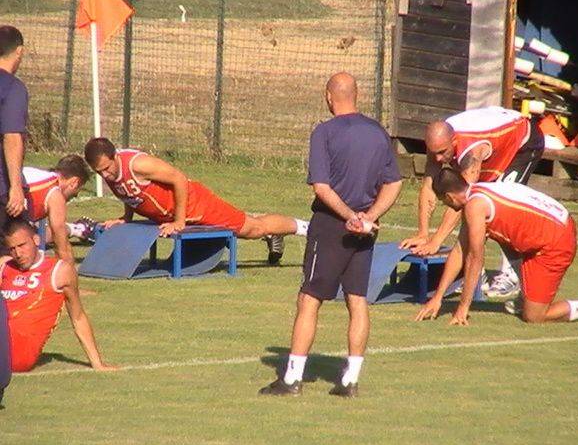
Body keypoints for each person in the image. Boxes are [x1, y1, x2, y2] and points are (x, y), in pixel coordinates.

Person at [259, 72, 402, 398]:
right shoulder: (378, 132)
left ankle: (292, 379)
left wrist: (350, 217)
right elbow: (394, 182)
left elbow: (322, 187)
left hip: (330, 226)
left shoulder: (324, 132)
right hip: (366, 231)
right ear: (358, 94)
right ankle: (350, 381)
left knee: (309, 298)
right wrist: (369, 217)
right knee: (357, 300)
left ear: (328, 96)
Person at [415, 168, 578, 325]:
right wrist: (438, 298)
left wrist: (463, 306)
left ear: (450, 196)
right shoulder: (477, 194)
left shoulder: (475, 205)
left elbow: (474, 258)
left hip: (556, 242)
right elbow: (460, 251)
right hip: (552, 228)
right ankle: (525, 296)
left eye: (445, 203)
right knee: (501, 236)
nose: (448, 208)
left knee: (535, 316)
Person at [83, 138, 308, 264]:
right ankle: (274, 233)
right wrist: (126, 218)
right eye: (98, 172)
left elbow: (179, 179)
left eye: (106, 168)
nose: (104, 175)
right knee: (249, 225)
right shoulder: (110, 171)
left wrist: (179, 221)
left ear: (115, 156)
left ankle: (308, 228)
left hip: (195, 205)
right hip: (170, 214)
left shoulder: (138, 164)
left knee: (252, 228)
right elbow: (128, 192)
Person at [400, 106, 544, 299]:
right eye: (434, 153)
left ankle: (511, 276)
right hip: (495, 149)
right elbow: (428, 187)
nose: (439, 159)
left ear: (454, 141)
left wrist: (437, 241)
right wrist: (423, 234)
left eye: (443, 152)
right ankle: (476, 273)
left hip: (523, 143)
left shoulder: (472, 150)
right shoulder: (437, 145)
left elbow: (463, 199)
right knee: (477, 210)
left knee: (495, 209)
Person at [0, 219, 117, 372]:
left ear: (36, 240)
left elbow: (78, 317)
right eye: (12, 249)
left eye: (22, 246)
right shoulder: (5, 266)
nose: (18, 254)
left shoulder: (59, 271)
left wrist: (97, 363)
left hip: (19, 351)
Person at [24, 154, 96, 262]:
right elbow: (61, 244)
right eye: (77, 191)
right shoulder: (54, 193)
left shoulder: (35, 175)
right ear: (74, 182)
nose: (75, 196)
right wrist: (67, 273)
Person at [0, 25, 29, 257]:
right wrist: (16, 188)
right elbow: (11, 136)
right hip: (1, 186)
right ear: (19, 51)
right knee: (14, 251)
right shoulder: (12, 88)